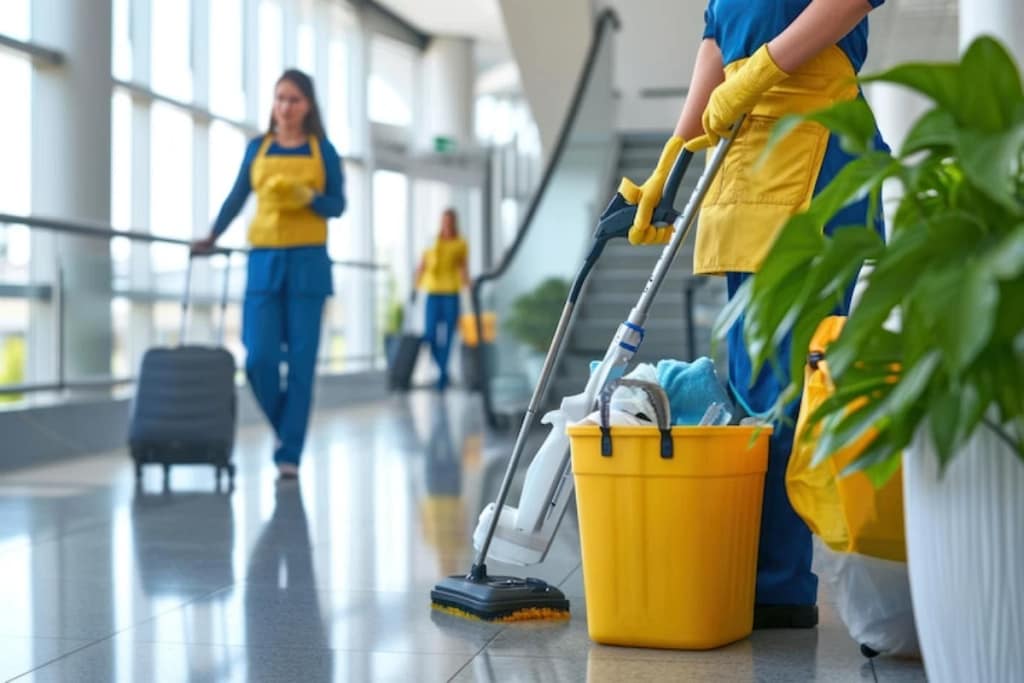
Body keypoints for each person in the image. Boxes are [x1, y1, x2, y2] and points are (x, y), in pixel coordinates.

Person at [620, 0, 887, 628]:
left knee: (785, 382)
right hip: (748, 154)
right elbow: (717, 41)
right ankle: (757, 570)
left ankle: (777, 582)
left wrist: (763, 67)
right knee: (746, 378)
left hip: (812, 145)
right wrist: (673, 161)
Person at [192, 69, 346, 480]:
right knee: (258, 355)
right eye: (280, 98)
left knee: (300, 362)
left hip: (308, 264)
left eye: (294, 99)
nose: (285, 106)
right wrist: (211, 236)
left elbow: (338, 206)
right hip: (264, 262)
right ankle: (287, 430)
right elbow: (238, 195)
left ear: (308, 105)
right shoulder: (257, 148)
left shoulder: (323, 150)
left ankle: (288, 454)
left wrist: (310, 198)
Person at [415, 209, 469, 391]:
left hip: (451, 293)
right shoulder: (432, 241)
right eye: (443, 221)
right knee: (429, 335)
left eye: (449, 221)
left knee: (448, 336)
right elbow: (422, 265)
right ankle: (444, 371)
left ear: (454, 222)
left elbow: (463, 268)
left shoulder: (460, 243)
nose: (446, 224)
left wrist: (468, 288)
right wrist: (415, 287)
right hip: (432, 292)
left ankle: (442, 378)